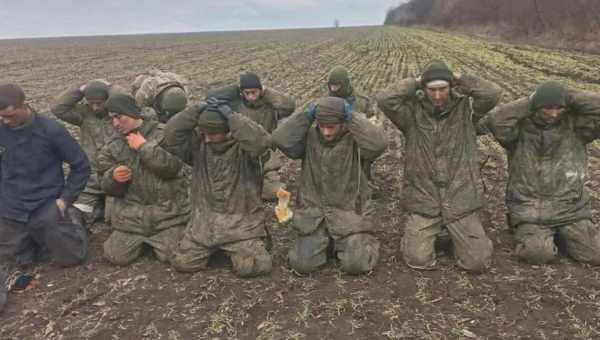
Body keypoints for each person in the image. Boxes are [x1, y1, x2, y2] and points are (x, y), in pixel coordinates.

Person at [377, 61, 501, 272]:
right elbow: (384, 99)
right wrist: (416, 80)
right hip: (425, 200)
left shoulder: (467, 111)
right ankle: (433, 233)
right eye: (431, 89)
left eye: (442, 89)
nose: (437, 95)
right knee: (417, 259)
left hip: (460, 199)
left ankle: (456, 232)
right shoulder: (410, 115)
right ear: (423, 90)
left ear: (451, 87)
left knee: (478, 263)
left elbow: (492, 94)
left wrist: (459, 77)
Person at [479, 81, 600, 264]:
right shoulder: (518, 131)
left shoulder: (577, 126)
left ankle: (563, 234)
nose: (553, 114)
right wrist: (532, 100)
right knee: (537, 255)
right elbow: (496, 120)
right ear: (535, 107)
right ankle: (532, 232)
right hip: (531, 208)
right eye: (546, 108)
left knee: (594, 255)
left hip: (570, 207)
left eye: (559, 108)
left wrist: (567, 95)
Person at [0, 84, 90, 312]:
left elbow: (81, 166)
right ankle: (34, 239)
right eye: (1, 117)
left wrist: (65, 199)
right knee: (18, 261)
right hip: (11, 207)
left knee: (70, 258)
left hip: (46, 203)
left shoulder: (51, 130)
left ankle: (74, 217)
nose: (5, 121)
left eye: (9, 115)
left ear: (24, 105)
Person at [272, 96, 386, 274]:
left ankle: (363, 241)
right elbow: (280, 138)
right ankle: (326, 242)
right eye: (322, 125)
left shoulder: (356, 141)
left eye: (331, 126)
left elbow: (379, 144)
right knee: (301, 265)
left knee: (356, 265)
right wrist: (307, 116)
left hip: (349, 216)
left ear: (343, 123)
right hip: (315, 217)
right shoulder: (308, 139)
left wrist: (352, 116)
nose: (326, 132)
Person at [162, 97, 273, 277]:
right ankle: (216, 249)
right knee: (183, 263)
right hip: (205, 227)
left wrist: (231, 116)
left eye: (212, 134)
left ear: (228, 130)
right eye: (203, 133)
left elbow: (262, 141)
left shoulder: (246, 150)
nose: (206, 139)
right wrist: (196, 109)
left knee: (253, 267)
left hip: (240, 227)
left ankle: (251, 243)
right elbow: (169, 134)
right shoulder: (198, 147)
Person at [96, 93, 189, 266]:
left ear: (132, 113)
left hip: (168, 215)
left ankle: (162, 239)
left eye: (119, 117)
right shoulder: (112, 146)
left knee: (175, 256)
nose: (115, 123)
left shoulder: (165, 134)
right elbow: (104, 183)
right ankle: (144, 241)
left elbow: (172, 168)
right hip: (132, 218)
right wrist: (113, 177)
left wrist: (144, 147)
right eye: (111, 119)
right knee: (115, 256)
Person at [206, 72, 295, 200]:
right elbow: (209, 97)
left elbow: (289, 106)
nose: (251, 96)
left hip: (265, 156)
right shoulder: (236, 105)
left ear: (260, 90)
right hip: (241, 155)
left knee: (273, 191)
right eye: (247, 93)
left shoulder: (269, 106)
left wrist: (267, 92)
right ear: (242, 93)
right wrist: (235, 89)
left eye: (254, 92)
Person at [51, 79, 120, 224]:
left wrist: (111, 87)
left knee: (115, 219)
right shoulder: (83, 114)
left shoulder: (120, 115)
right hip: (92, 179)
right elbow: (58, 108)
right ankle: (98, 209)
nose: (94, 107)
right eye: (91, 103)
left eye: (99, 103)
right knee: (76, 214)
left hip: (117, 178)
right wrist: (80, 89)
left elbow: (131, 102)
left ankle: (105, 209)